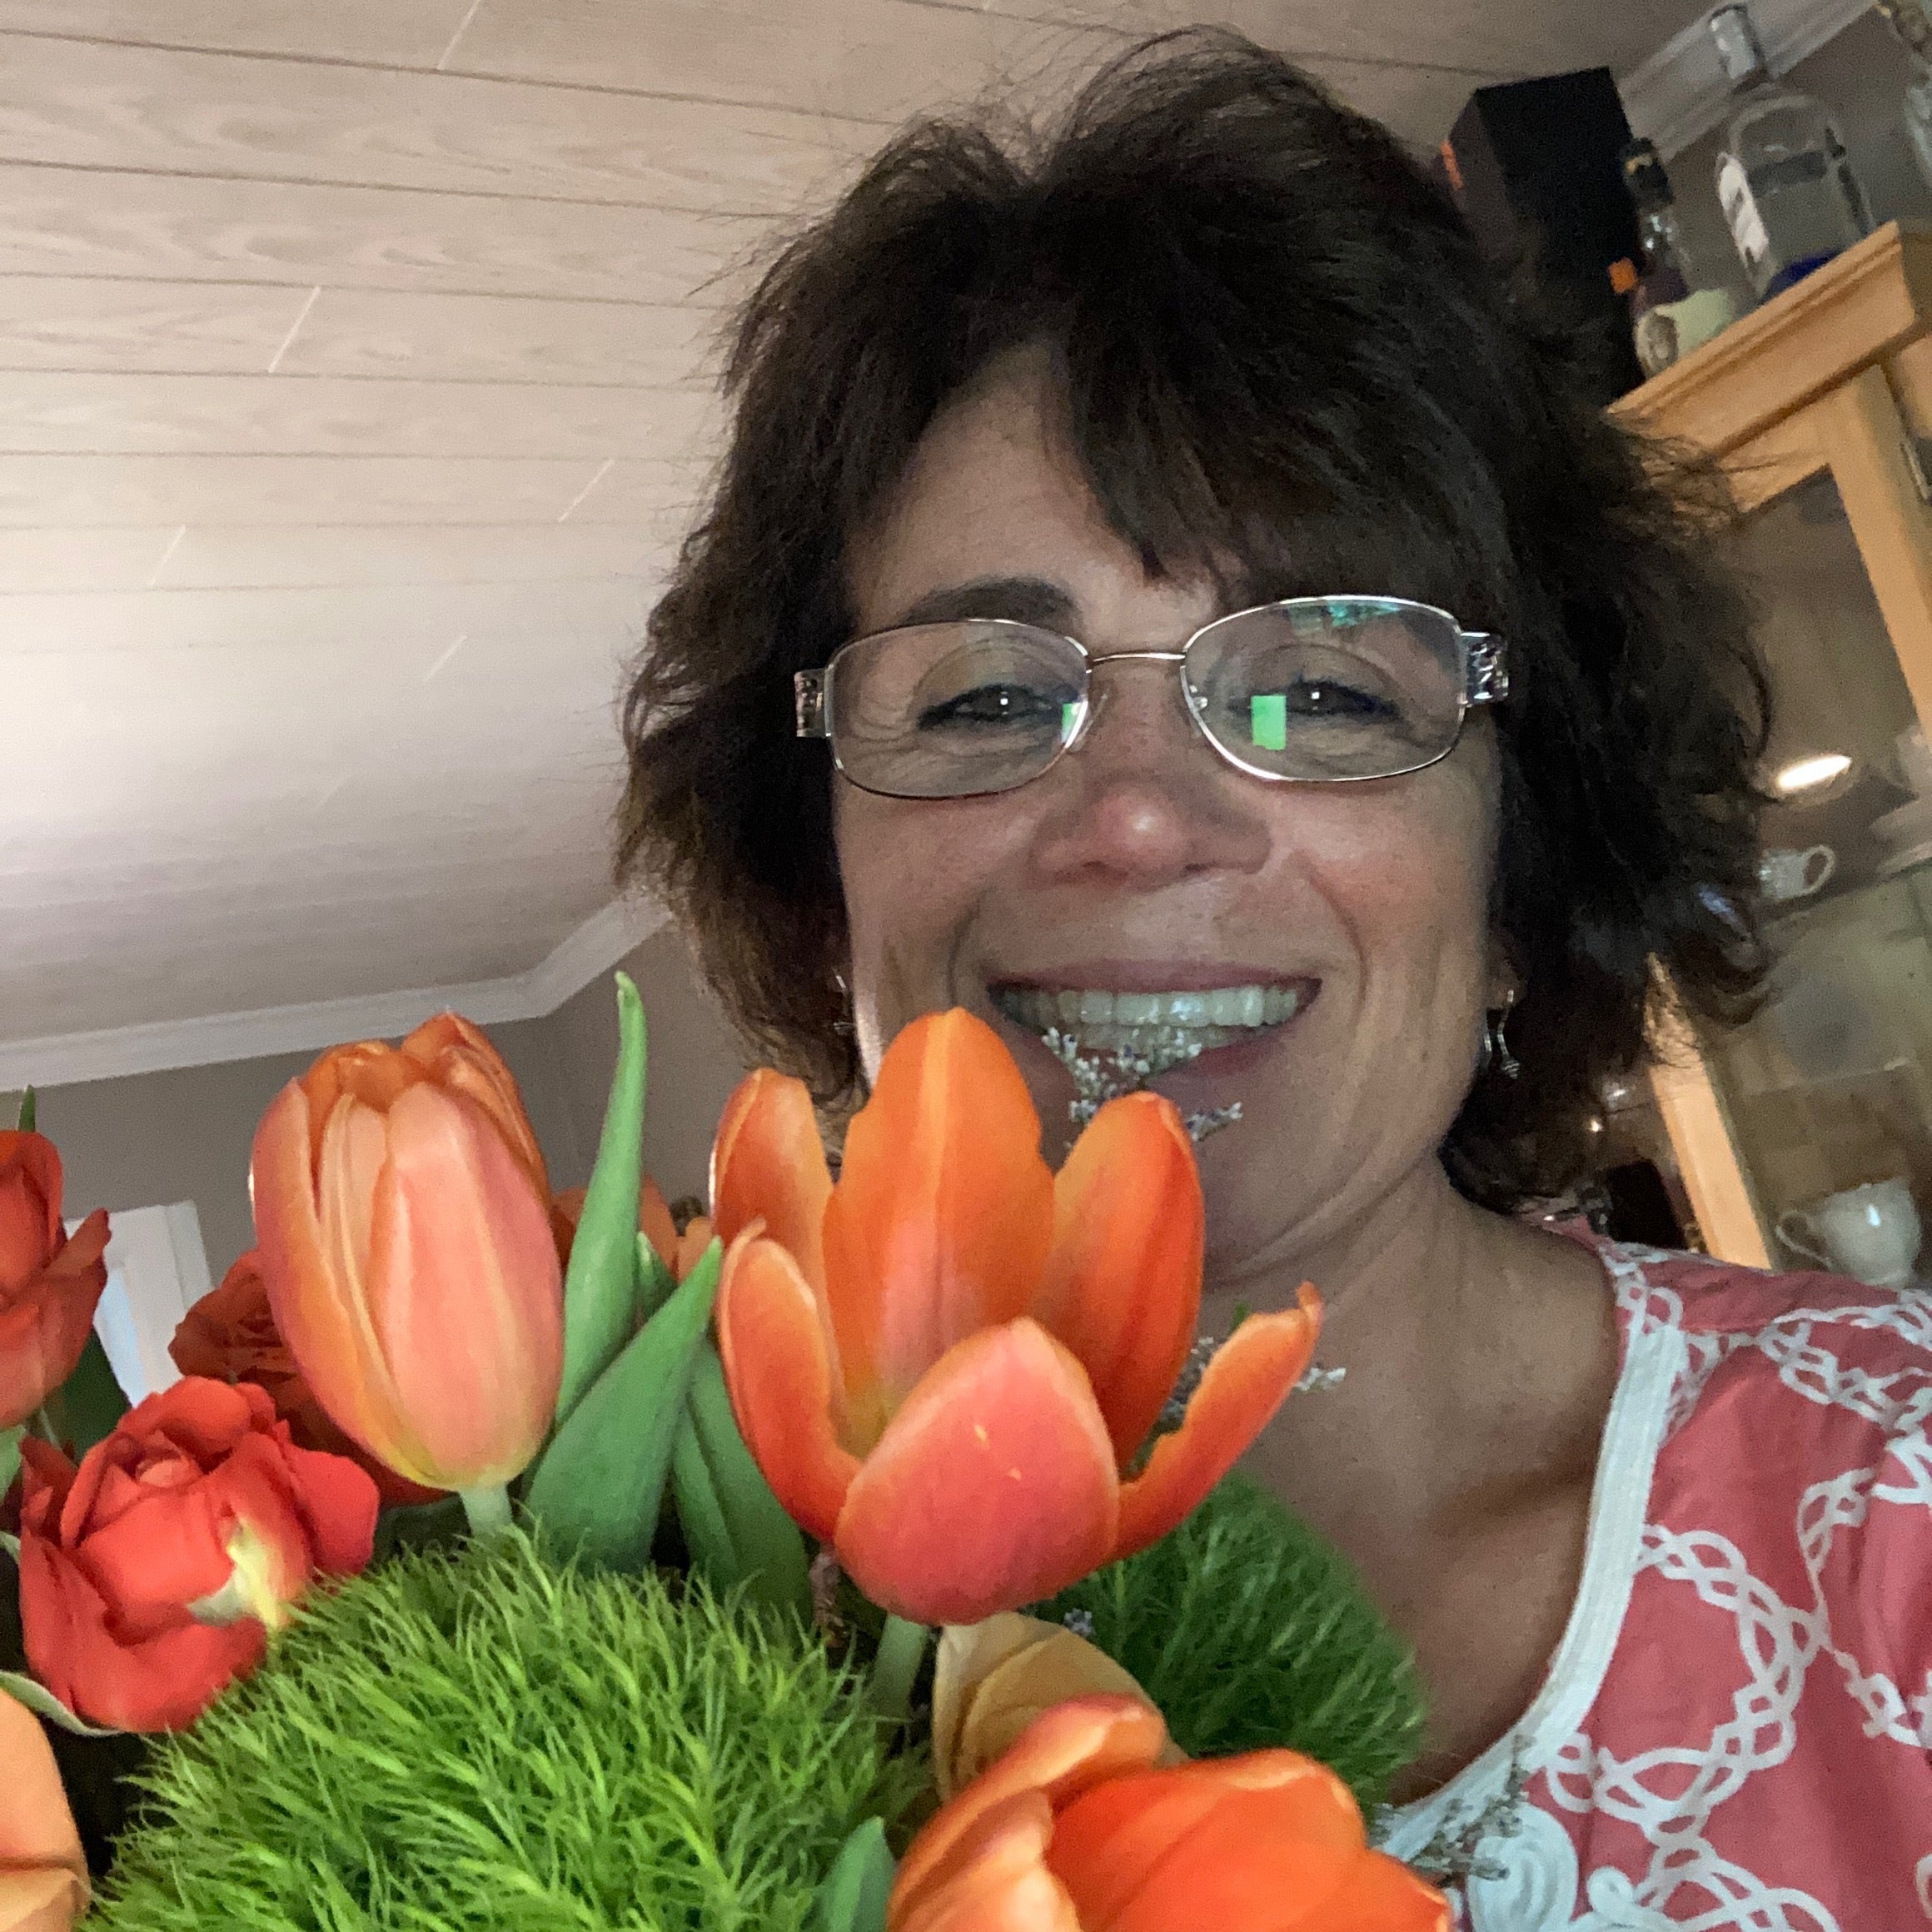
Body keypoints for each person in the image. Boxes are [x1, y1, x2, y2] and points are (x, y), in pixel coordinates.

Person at [619, 30, 1932, 1924]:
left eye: (1322, 693)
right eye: (987, 695)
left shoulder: (1893, 1497)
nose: (1137, 822)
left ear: (1517, 869)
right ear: (820, 884)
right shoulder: (654, 1633)